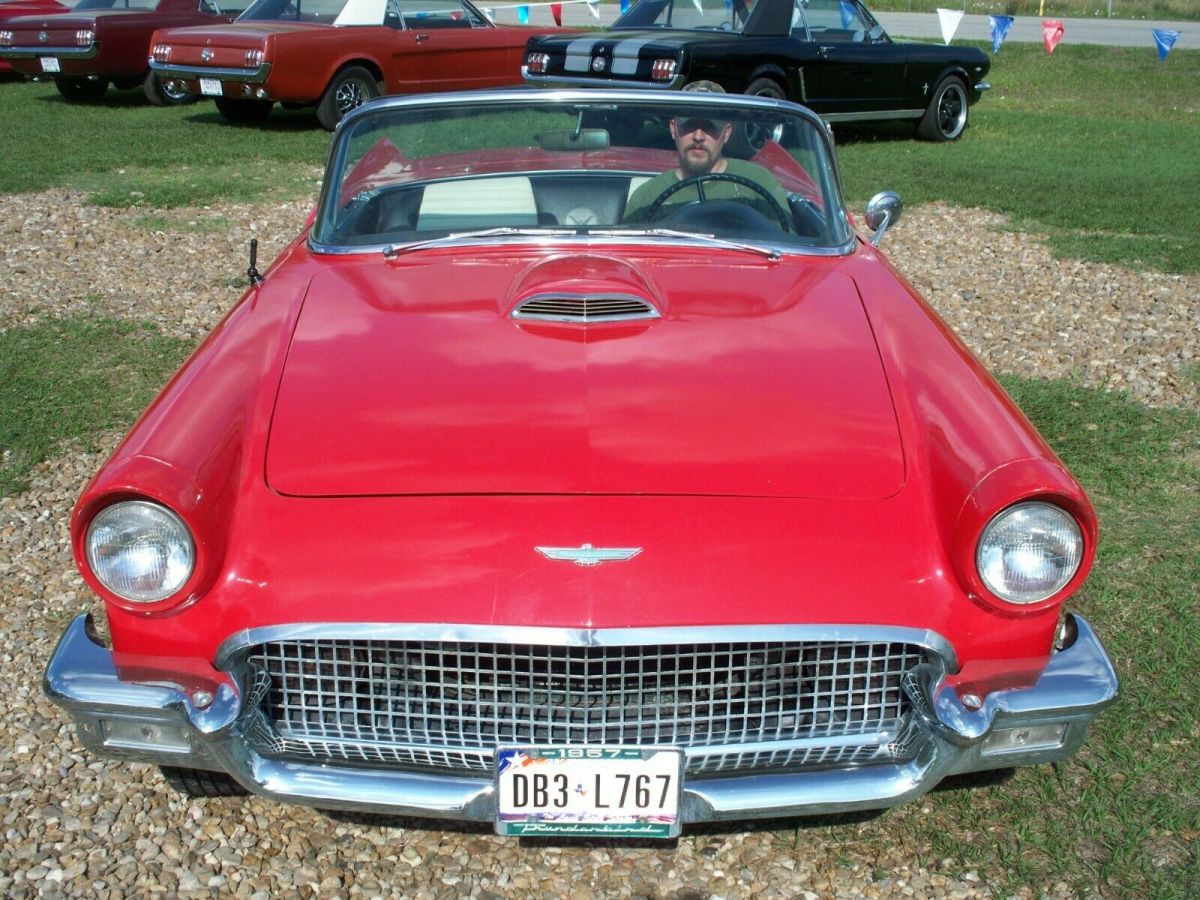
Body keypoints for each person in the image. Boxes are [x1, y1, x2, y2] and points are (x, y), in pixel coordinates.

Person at [623, 83, 791, 225]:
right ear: (673, 129)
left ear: (726, 133)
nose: (698, 137)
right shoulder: (646, 197)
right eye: (689, 125)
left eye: (709, 126)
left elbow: (787, 250)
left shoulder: (760, 184)